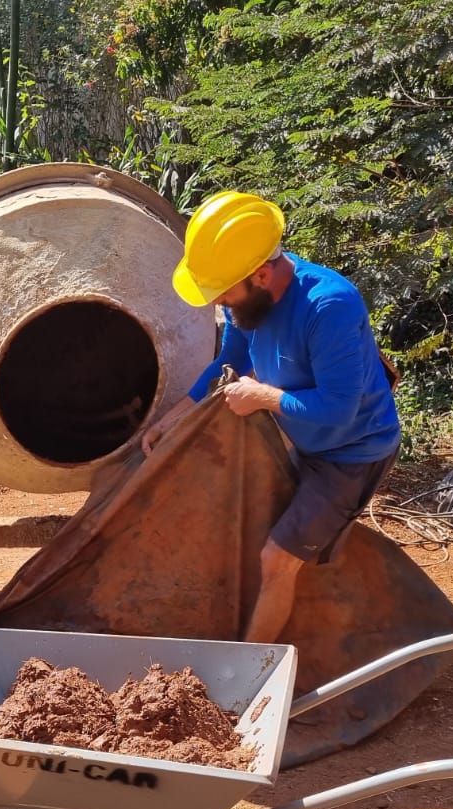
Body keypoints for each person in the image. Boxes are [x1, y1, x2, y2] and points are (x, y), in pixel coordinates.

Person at [144, 191, 401, 644]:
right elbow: (231, 358)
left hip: (348, 453)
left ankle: (251, 675)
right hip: (296, 439)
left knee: (276, 559)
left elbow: (338, 411)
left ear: (261, 275)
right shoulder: (251, 298)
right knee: (242, 528)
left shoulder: (329, 307)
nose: (219, 302)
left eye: (223, 293)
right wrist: (174, 418)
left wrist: (264, 396)